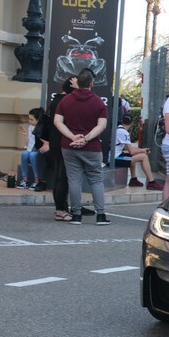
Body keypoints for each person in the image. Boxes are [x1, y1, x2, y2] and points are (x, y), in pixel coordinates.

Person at [54, 69, 110, 225]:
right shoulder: (98, 102)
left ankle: (76, 214)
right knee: (96, 181)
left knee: (74, 180)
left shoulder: (65, 100)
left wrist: (73, 137)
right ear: (91, 83)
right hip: (92, 147)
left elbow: (57, 122)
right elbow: (102, 125)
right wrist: (86, 138)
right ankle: (100, 215)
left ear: (78, 82)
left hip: (69, 145)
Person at [115, 113, 163, 190]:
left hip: (115, 156)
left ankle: (133, 179)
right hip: (116, 159)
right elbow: (132, 152)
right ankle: (151, 182)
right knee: (143, 157)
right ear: (132, 123)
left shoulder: (118, 129)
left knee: (132, 157)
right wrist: (143, 151)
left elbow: (127, 149)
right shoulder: (124, 132)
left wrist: (141, 150)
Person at [17, 107, 47, 190]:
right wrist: (25, 135)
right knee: (24, 154)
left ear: (38, 120)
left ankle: (37, 180)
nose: (29, 121)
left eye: (31, 119)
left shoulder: (42, 128)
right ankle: (24, 180)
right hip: (32, 149)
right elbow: (29, 144)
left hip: (40, 150)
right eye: (29, 119)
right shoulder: (30, 127)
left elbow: (44, 143)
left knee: (33, 155)